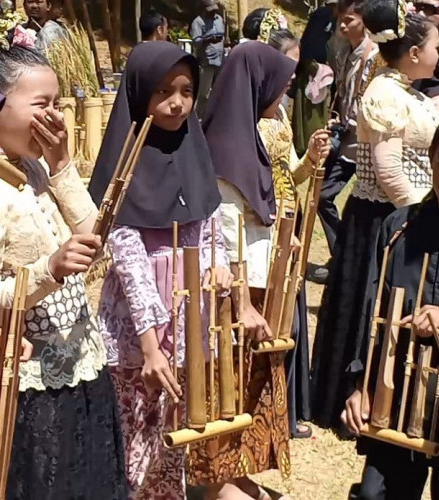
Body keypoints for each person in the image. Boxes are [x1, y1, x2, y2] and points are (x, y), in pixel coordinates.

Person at [0, 14, 127, 499]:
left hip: (84, 367)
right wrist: (47, 271)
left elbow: (97, 242)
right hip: (29, 389)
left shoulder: (38, 172)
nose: (54, 117)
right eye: (40, 104)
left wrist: (64, 166)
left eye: (57, 103)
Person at [88, 41, 228, 499]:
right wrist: (151, 346)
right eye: (164, 91)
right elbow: (128, 263)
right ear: (140, 93)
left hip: (189, 323)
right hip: (138, 332)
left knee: (175, 444)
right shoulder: (124, 163)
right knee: (136, 444)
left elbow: (210, 224)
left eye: (187, 91)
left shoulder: (194, 148)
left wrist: (220, 268)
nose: (177, 103)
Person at [311, 0, 439, 433]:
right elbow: (388, 172)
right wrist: (418, 216)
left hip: (409, 219)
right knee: (371, 312)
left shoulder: (405, 89)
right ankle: (358, 397)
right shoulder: (384, 93)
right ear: (416, 53)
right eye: (437, 44)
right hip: (384, 220)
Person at [189, 41, 298, 500]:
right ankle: (216, 482)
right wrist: (241, 300)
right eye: (281, 83)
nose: (285, 92)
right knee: (223, 383)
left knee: (249, 382)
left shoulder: (250, 138)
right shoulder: (225, 152)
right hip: (231, 292)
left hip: (255, 285)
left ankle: (236, 471)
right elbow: (224, 235)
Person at [245, 10, 332, 440]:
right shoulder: (243, 118)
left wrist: (311, 159)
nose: (293, 78)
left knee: (293, 317)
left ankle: (292, 408)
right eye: (287, 68)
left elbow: (290, 171)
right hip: (269, 227)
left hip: (290, 216)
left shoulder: (280, 115)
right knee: (277, 320)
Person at [341, 128, 439, 500]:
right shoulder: (398, 229)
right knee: (374, 496)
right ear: (431, 158)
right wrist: (360, 385)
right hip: (396, 394)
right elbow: (370, 313)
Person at [313, 0, 381, 284]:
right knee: (321, 194)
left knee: (331, 196)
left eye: (349, 20)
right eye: (341, 19)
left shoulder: (373, 54)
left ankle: (347, 260)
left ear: (363, 20)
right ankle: (343, 257)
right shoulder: (344, 48)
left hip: (362, 141)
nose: (343, 25)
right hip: (345, 132)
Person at [291, 0, 337, 161]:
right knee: (311, 113)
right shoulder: (325, 15)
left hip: (316, 68)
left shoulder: (327, 16)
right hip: (314, 70)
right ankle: (310, 144)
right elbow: (314, 43)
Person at [190, 0, 225, 119]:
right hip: (206, 62)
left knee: (220, 90)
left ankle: (217, 116)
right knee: (203, 93)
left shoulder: (219, 19)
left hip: (220, 60)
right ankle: (198, 117)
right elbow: (196, 41)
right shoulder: (198, 22)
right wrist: (209, 39)